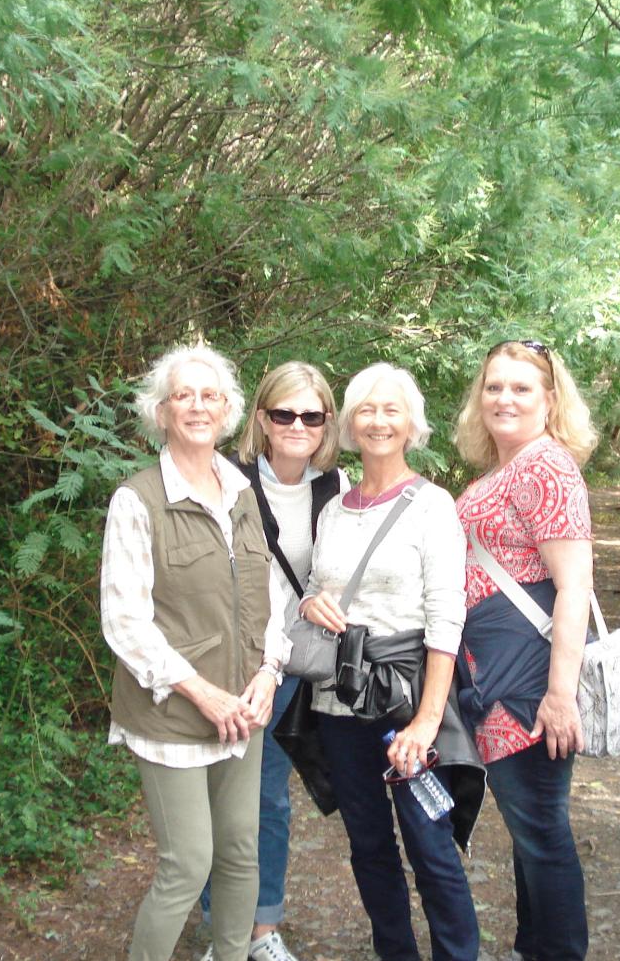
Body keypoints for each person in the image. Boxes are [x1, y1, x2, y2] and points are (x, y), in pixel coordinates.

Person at [99, 343, 286, 961]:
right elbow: (124, 620)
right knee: (188, 863)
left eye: (210, 395)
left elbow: (271, 594)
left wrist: (269, 672)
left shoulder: (243, 492)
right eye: (183, 395)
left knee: (239, 850)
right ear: (161, 412)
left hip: (244, 707)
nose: (197, 406)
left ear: (229, 409)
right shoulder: (137, 499)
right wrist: (200, 691)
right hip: (175, 713)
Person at [299, 362, 482, 961]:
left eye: (391, 410)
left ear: (411, 425)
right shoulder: (332, 509)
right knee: (368, 844)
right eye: (367, 409)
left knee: (430, 846)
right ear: (351, 422)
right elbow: (311, 587)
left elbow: (446, 619)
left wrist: (428, 720)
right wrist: (309, 600)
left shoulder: (432, 507)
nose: (378, 420)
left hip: (405, 700)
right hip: (338, 698)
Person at [452, 339, 598, 961]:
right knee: (529, 832)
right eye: (494, 386)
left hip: (528, 689)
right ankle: (533, 947)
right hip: (500, 680)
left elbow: (574, 586)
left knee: (540, 832)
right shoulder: (507, 469)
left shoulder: (546, 466)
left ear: (549, 399)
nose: (504, 398)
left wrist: (560, 697)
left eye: (521, 387)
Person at [198, 362, 348, 961]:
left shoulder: (332, 489)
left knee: (268, 799)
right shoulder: (226, 481)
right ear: (261, 417)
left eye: (310, 415)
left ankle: (261, 929)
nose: (296, 425)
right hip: (225, 662)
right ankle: (222, 930)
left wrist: (323, 598)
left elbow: (336, 575)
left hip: (288, 671)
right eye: (283, 413)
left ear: (326, 423)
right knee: (219, 800)